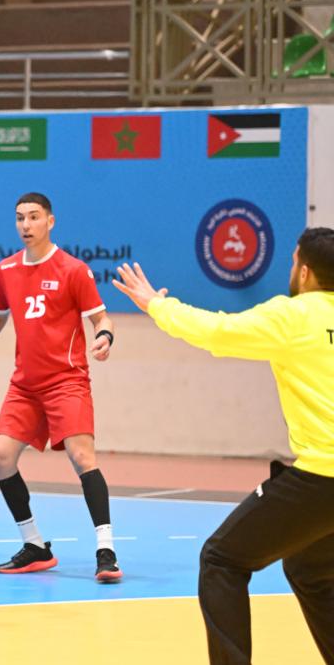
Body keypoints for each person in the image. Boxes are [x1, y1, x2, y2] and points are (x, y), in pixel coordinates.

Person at [112, 227, 334, 665]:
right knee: (310, 568)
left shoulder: (293, 315)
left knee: (221, 559)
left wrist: (157, 305)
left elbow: (217, 332)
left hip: (321, 477)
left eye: (293, 262)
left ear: (305, 272)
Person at [0, 192, 121, 583]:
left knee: (82, 457)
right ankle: (35, 546)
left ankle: (106, 551)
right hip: (25, 385)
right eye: (20, 218)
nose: (26, 225)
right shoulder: (6, 269)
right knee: (0, 458)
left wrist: (105, 337)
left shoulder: (73, 270)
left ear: (50, 221)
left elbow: (102, 319)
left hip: (66, 380)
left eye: (33, 217)